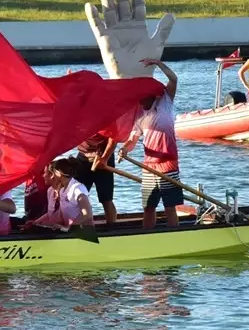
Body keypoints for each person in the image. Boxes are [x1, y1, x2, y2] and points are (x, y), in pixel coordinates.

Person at [120, 59, 182, 230]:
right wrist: (124, 149)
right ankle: (147, 233)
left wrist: (158, 63)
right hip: (148, 166)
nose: (139, 102)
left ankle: (176, 234)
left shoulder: (165, 102)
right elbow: (132, 140)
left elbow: (174, 79)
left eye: (142, 98)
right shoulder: (139, 115)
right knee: (148, 206)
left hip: (168, 163)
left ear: (151, 95)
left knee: (169, 206)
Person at [27, 157, 95, 230]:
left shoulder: (77, 189)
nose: (52, 175)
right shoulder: (62, 190)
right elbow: (58, 215)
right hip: (71, 231)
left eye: (53, 172)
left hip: (84, 232)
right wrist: (35, 223)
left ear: (58, 173)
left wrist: (68, 228)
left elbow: (88, 215)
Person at [71, 132, 118, 224]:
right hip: (83, 155)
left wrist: (105, 158)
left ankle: (112, 227)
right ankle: (77, 226)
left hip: (103, 157)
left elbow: (114, 137)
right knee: (76, 195)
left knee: (106, 198)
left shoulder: (106, 119)